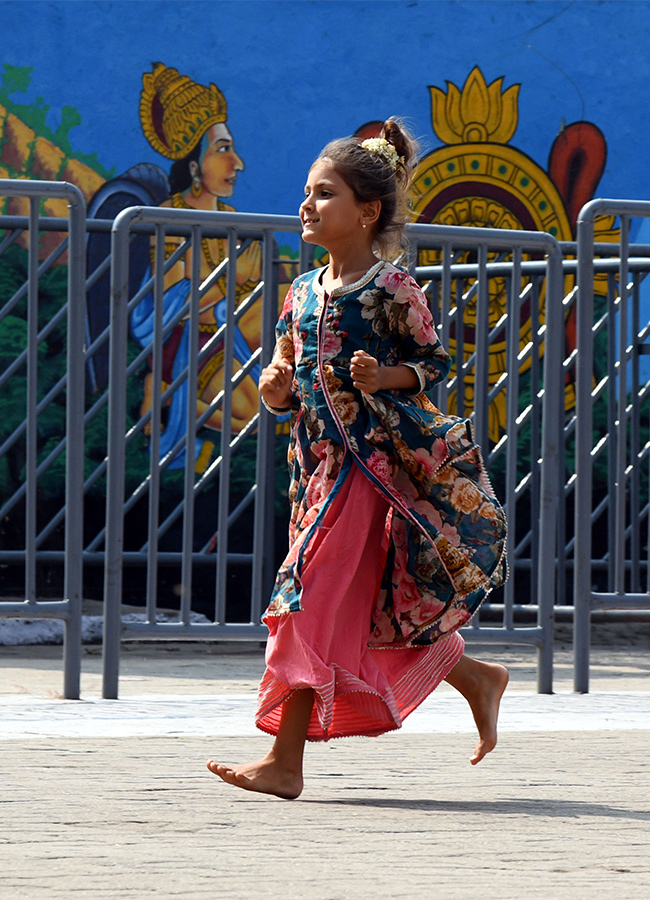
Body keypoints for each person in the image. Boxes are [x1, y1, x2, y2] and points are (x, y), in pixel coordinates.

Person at [207, 120, 509, 799]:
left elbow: (432, 361)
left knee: (305, 601)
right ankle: (474, 676)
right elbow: (284, 372)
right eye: (307, 193)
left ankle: (285, 765)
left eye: (324, 194)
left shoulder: (392, 288)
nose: (307, 206)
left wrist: (387, 379)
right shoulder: (301, 292)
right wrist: (275, 392)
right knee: (357, 610)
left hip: (372, 473)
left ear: (367, 211)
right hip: (316, 474)